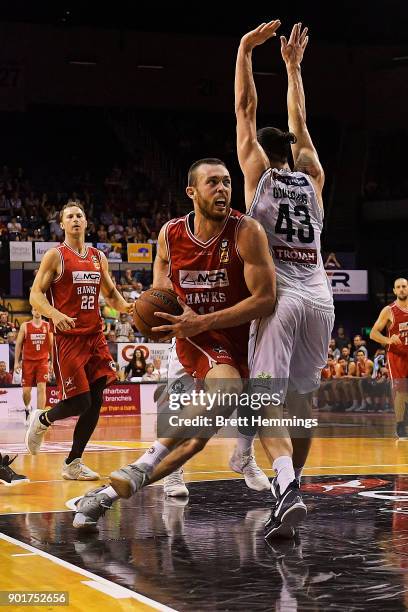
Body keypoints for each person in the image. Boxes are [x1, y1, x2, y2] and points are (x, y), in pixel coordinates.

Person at [72, 157, 276, 529]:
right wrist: (160, 313)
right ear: (191, 192)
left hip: (239, 333)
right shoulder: (170, 234)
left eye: (227, 182)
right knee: (204, 395)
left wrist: (201, 319)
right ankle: (156, 468)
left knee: (197, 439)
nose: (223, 189)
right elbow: (161, 286)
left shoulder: (245, 231)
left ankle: (107, 494)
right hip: (194, 335)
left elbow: (266, 299)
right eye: (213, 183)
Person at [234, 20, 335, 538]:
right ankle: (293, 489)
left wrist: (246, 52)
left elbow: (245, 110)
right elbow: (301, 123)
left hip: (283, 296)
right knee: (302, 402)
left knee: (266, 399)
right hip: (321, 297)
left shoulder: (259, 173)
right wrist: (294, 69)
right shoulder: (312, 175)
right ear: (292, 151)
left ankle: (284, 486)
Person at [26, 200, 134, 479]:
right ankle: (42, 419)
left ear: (86, 222)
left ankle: (73, 462)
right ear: (61, 224)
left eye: (79, 216)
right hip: (69, 338)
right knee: (80, 402)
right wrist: (53, 314)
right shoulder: (55, 256)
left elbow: (110, 294)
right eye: (70, 216)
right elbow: (35, 295)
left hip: (95, 336)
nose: (75, 220)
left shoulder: (98, 257)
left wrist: (129, 308)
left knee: (97, 399)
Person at [370, 277, 408, 439]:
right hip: (396, 355)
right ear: (394, 291)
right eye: (398, 287)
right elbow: (373, 333)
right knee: (401, 390)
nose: (401, 289)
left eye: (404, 286)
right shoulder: (389, 310)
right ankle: (400, 425)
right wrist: (388, 340)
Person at [14, 309, 53, 423]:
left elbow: (51, 346)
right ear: (32, 311)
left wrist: (52, 362)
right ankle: (27, 408)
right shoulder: (25, 326)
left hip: (42, 361)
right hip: (28, 362)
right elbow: (18, 344)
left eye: (39, 309)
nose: (37, 311)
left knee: (42, 388)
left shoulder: (48, 325)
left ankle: (39, 416)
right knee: (26, 391)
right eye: (35, 309)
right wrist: (16, 362)